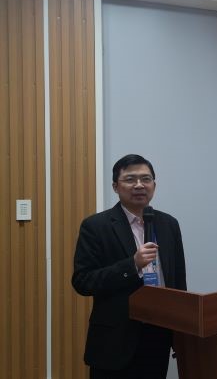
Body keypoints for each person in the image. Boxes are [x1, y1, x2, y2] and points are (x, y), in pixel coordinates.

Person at [72, 154, 187, 379]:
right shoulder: (96, 226)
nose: (139, 185)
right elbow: (83, 281)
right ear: (115, 186)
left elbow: (178, 281)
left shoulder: (169, 224)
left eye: (146, 179)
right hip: (114, 341)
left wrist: (181, 334)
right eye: (130, 179)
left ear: (154, 185)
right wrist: (132, 265)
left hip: (158, 336)